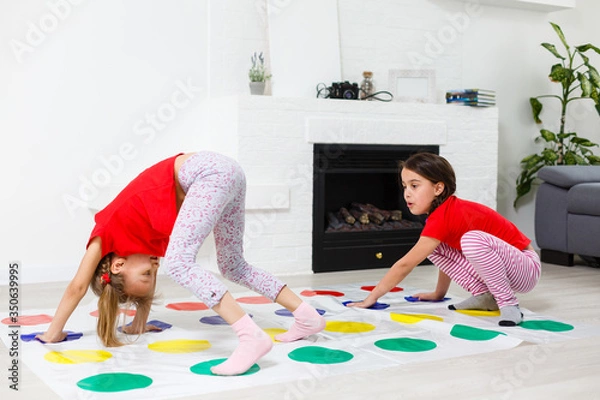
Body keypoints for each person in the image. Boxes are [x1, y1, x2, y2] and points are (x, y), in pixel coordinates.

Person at [37, 151, 326, 375]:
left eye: (146, 272)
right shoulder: (144, 247)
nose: (153, 265)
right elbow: (147, 277)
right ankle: (307, 316)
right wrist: (139, 322)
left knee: (179, 263)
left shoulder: (106, 234)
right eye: (152, 273)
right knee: (233, 265)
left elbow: (77, 287)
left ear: (117, 266)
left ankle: (250, 337)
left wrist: (53, 333)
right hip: (228, 173)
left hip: (208, 172)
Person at [348, 152, 541, 326]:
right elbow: (442, 258)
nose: (407, 192)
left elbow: (405, 265)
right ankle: (485, 297)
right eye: (405, 186)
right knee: (434, 247)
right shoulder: (441, 215)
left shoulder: (448, 213)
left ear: (438, 188)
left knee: (471, 241)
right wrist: (438, 294)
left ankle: (508, 304)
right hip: (509, 269)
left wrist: (371, 298)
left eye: (415, 186)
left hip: (526, 267)